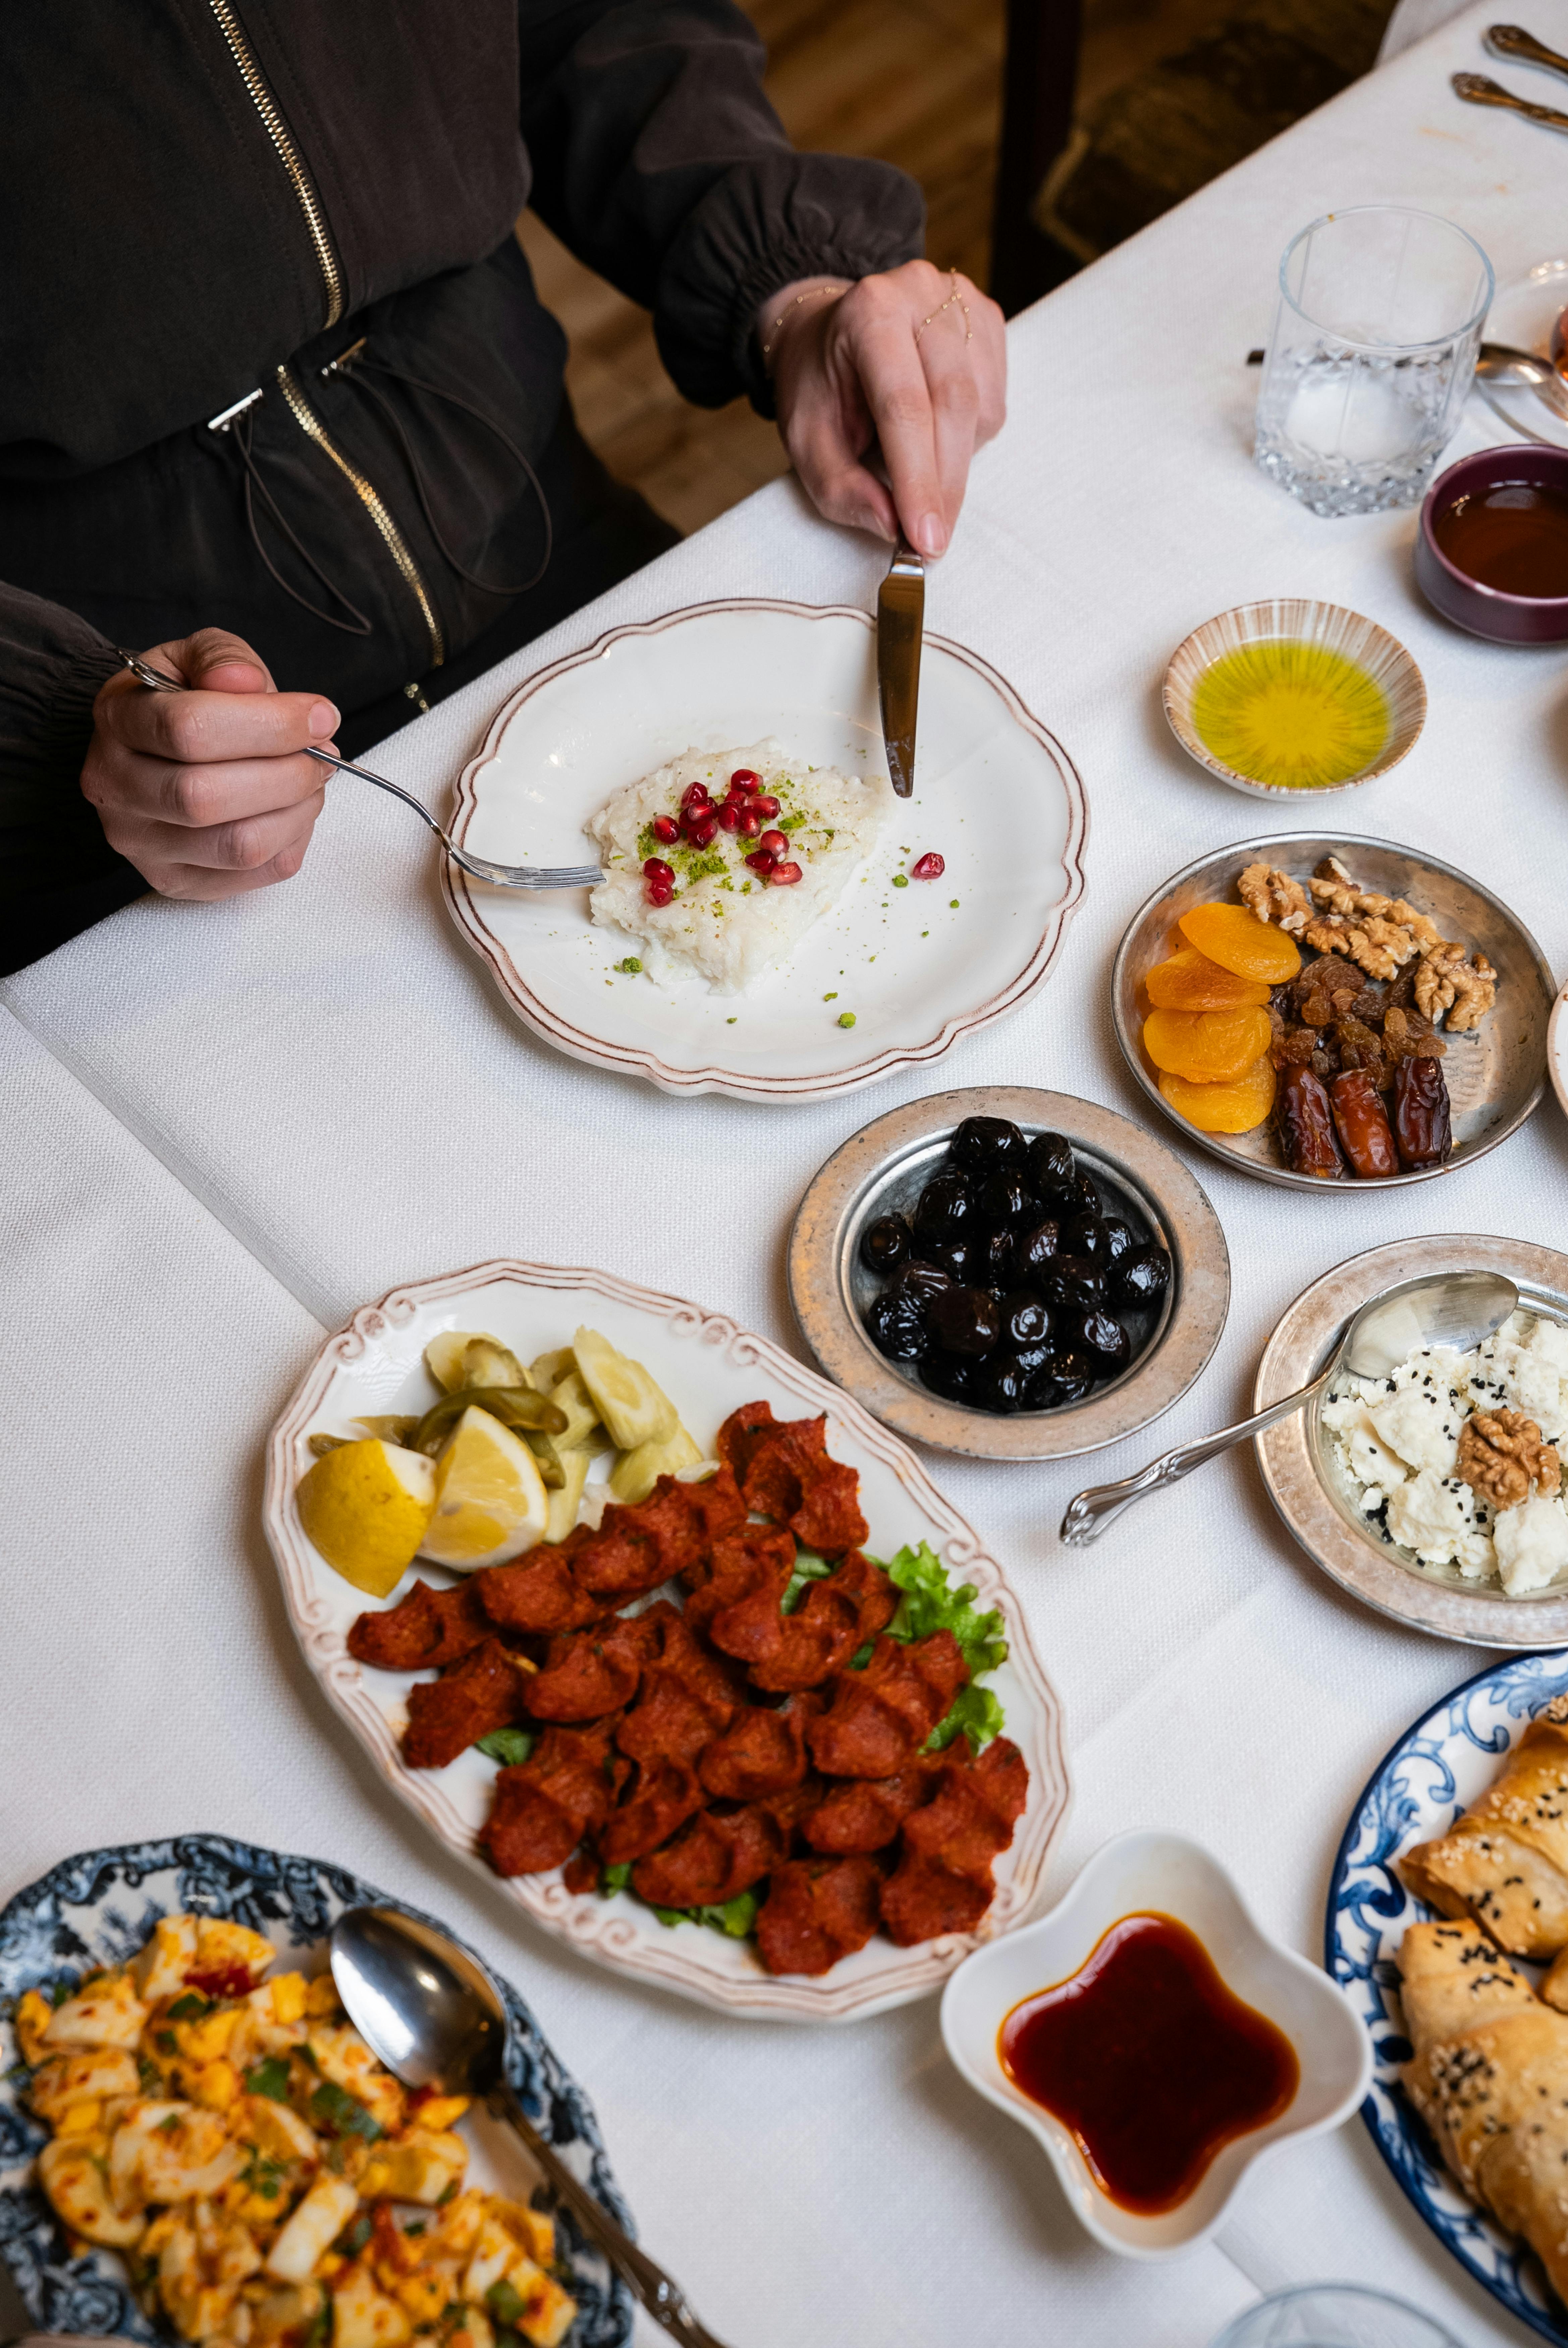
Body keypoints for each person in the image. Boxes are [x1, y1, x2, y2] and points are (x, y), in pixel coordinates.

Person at [0, 1, 1005, 974]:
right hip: (137, 779)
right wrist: (46, 715)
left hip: (553, 544)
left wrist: (789, 286)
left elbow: (580, 18)